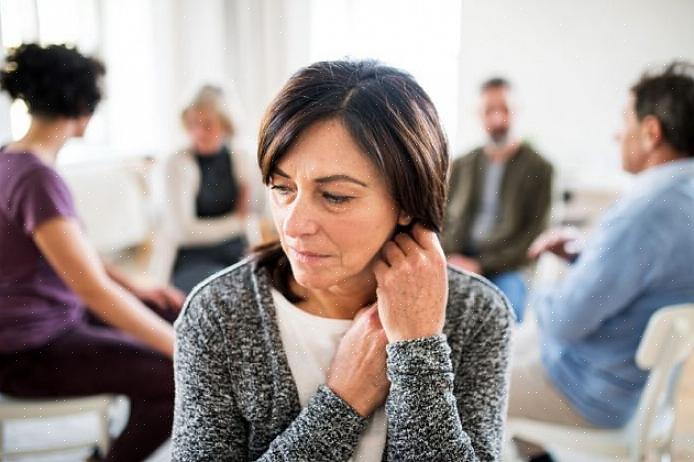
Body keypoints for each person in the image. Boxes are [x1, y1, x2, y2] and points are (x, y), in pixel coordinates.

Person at [172, 60, 513, 461]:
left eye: (335, 196)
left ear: (407, 201)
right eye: (283, 188)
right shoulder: (218, 313)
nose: (294, 225)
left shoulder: (478, 313)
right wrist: (343, 402)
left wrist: (417, 349)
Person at [0, 43, 183, 462]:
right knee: (179, 375)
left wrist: (136, 284)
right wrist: (176, 348)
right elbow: (92, 290)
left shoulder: (13, 159)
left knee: (175, 314)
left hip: (44, 327)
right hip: (28, 352)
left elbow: (74, 255)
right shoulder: (35, 178)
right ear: (83, 106)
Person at [509, 62, 694, 461]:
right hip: (638, 388)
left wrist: (545, 277)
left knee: (468, 379)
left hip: (591, 395)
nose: (616, 133)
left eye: (623, 121)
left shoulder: (643, 212)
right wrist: (584, 257)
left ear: (651, 133)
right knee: (512, 350)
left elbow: (562, 322)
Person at [442, 78, 553, 321]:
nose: (497, 119)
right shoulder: (462, 165)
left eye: (504, 109)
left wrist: (481, 265)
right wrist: (452, 257)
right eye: (488, 111)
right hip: (458, 258)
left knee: (504, 317)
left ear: (518, 111)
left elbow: (534, 236)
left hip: (507, 267)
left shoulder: (539, 168)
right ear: (478, 114)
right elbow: (443, 219)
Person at [160, 85, 251, 293]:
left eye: (208, 124)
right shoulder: (175, 163)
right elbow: (184, 232)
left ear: (226, 125)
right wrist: (237, 222)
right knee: (222, 294)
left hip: (237, 251)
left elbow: (255, 216)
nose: (198, 132)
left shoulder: (242, 158)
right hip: (192, 257)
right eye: (192, 124)